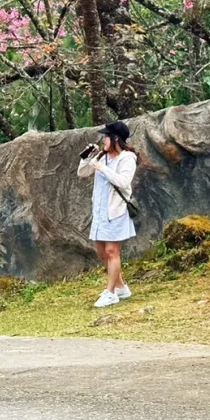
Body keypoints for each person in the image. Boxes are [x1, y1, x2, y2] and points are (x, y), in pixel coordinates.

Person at [78, 120, 138, 308]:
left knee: (112, 252)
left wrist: (102, 168)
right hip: (100, 211)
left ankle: (110, 293)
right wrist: (87, 157)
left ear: (115, 139)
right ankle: (121, 287)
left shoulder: (127, 158)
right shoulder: (102, 157)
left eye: (106, 136)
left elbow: (123, 181)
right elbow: (83, 173)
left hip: (116, 211)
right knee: (102, 253)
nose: (103, 139)